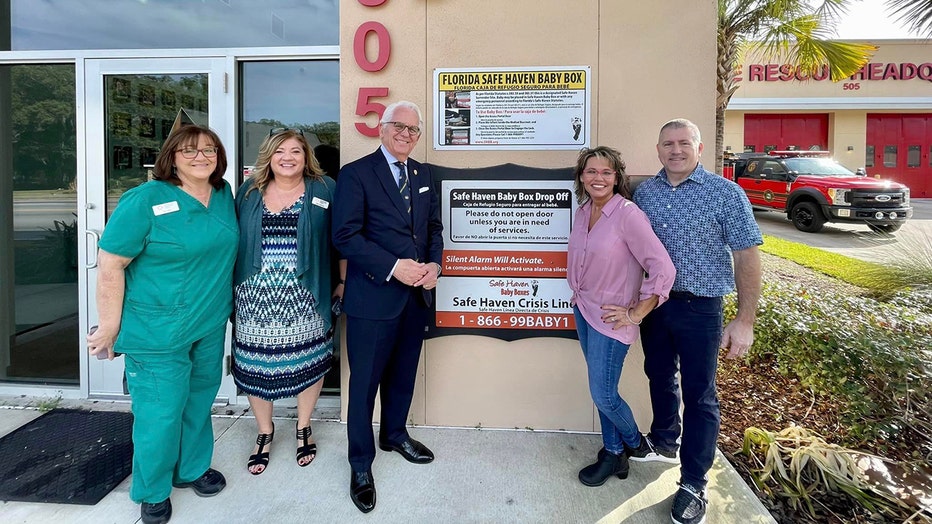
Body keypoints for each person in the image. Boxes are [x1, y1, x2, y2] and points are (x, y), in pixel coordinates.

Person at [87, 124, 237, 524]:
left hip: (207, 323)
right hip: (155, 330)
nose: (200, 156)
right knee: (160, 412)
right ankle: (152, 490)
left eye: (209, 149)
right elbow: (111, 265)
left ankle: (191, 469)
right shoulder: (143, 200)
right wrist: (108, 326)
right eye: (189, 151)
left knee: (199, 399)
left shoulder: (223, 195)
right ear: (171, 157)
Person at [633, 118, 762, 524]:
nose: (675, 150)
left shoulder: (726, 193)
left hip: (701, 308)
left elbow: (746, 256)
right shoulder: (645, 193)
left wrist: (745, 320)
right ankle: (665, 440)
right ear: (657, 150)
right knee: (657, 374)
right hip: (654, 305)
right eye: (667, 143)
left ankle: (693, 482)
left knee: (700, 393)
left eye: (684, 143)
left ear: (700, 148)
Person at [332, 100, 443, 514]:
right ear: (381, 128)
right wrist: (395, 267)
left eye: (413, 130)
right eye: (399, 126)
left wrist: (435, 265)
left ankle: (394, 434)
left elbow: (433, 228)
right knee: (363, 388)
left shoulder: (423, 174)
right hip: (373, 298)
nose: (406, 134)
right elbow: (345, 235)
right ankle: (360, 464)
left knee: (402, 377)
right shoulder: (356, 174)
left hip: (416, 299)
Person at [567, 146, 676, 487]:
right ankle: (613, 454)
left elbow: (662, 268)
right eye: (591, 171)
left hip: (613, 320)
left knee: (603, 394)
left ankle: (634, 443)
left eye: (606, 172)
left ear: (617, 178)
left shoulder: (628, 214)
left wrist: (637, 312)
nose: (597, 178)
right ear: (581, 177)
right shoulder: (584, 211)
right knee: (603, 387)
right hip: (584, 310)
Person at [232, 129, 339, 475]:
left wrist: (342, 281)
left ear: (306, 156)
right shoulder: (248, 192)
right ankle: (265, 431)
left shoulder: (325, 189)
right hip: (254, 296)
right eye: (280, 151)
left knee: (309, 362)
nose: (288, 157)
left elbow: (340, 240)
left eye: (296, 150)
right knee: (254, 367)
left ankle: (303, 425)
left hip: (306, 296)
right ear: (269, 156)